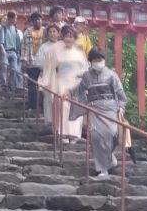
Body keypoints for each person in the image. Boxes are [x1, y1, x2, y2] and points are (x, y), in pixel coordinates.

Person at [69, 47, 127, 177]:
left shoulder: (112, 75)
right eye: (95, 60)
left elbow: (120, 93)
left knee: (112, 134)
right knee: (95, 137)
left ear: (104, 60)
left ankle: (110, 157)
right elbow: (79, 91)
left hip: (110, 109)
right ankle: (102, 168)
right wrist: (70, 93)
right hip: (94, 109)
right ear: (90, 61)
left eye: (100, 59)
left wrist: (121, 107)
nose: (98, 62)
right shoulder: (86, 76)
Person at [41, 24, 86, 140]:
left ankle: (75, 134)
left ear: (74, 38)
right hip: (60, 82)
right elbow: (49, 67)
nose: (68, 39)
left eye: (71, 36)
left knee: (74, 107)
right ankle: (62, 133)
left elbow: (85, 70)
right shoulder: (55, 50)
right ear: (63, 37)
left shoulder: (80, 53)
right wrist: (46, 81)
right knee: (63, 108)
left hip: (75, 83)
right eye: (66, 36)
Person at [21, 11, 46, 110]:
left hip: (43, 62)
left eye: (39, 19)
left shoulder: (46, 31)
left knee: (44, 84)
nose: (38, 21)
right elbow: (23, 46)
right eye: (35, 20)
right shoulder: (27, 31)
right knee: (32, 85)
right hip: (31, 62)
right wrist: (23, 60)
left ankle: (42, 105)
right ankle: (33, 105)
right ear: (32, 21)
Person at [38, 23, 61, 125]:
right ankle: (49, 121)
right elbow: (40, 62)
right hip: (48, 75)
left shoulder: (63, 46)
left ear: (58, 33)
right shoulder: (43, 47)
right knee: (48, 99)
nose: (52, 34)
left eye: (54, 31)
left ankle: (59, 122)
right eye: (50, 32)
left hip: (61, 76)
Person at [0, 10, 23, 92]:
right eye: (14, 18)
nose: (16, 20)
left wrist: (18, 52)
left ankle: (11, 85)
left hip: (14, 52)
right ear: (10, 18)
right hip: (5, 50)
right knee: (4, 68)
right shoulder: (3, 28)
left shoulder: (15, 29)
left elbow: (18, 42)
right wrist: (3, 51)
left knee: (14, 69)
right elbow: (0, 42)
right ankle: (3, 84)